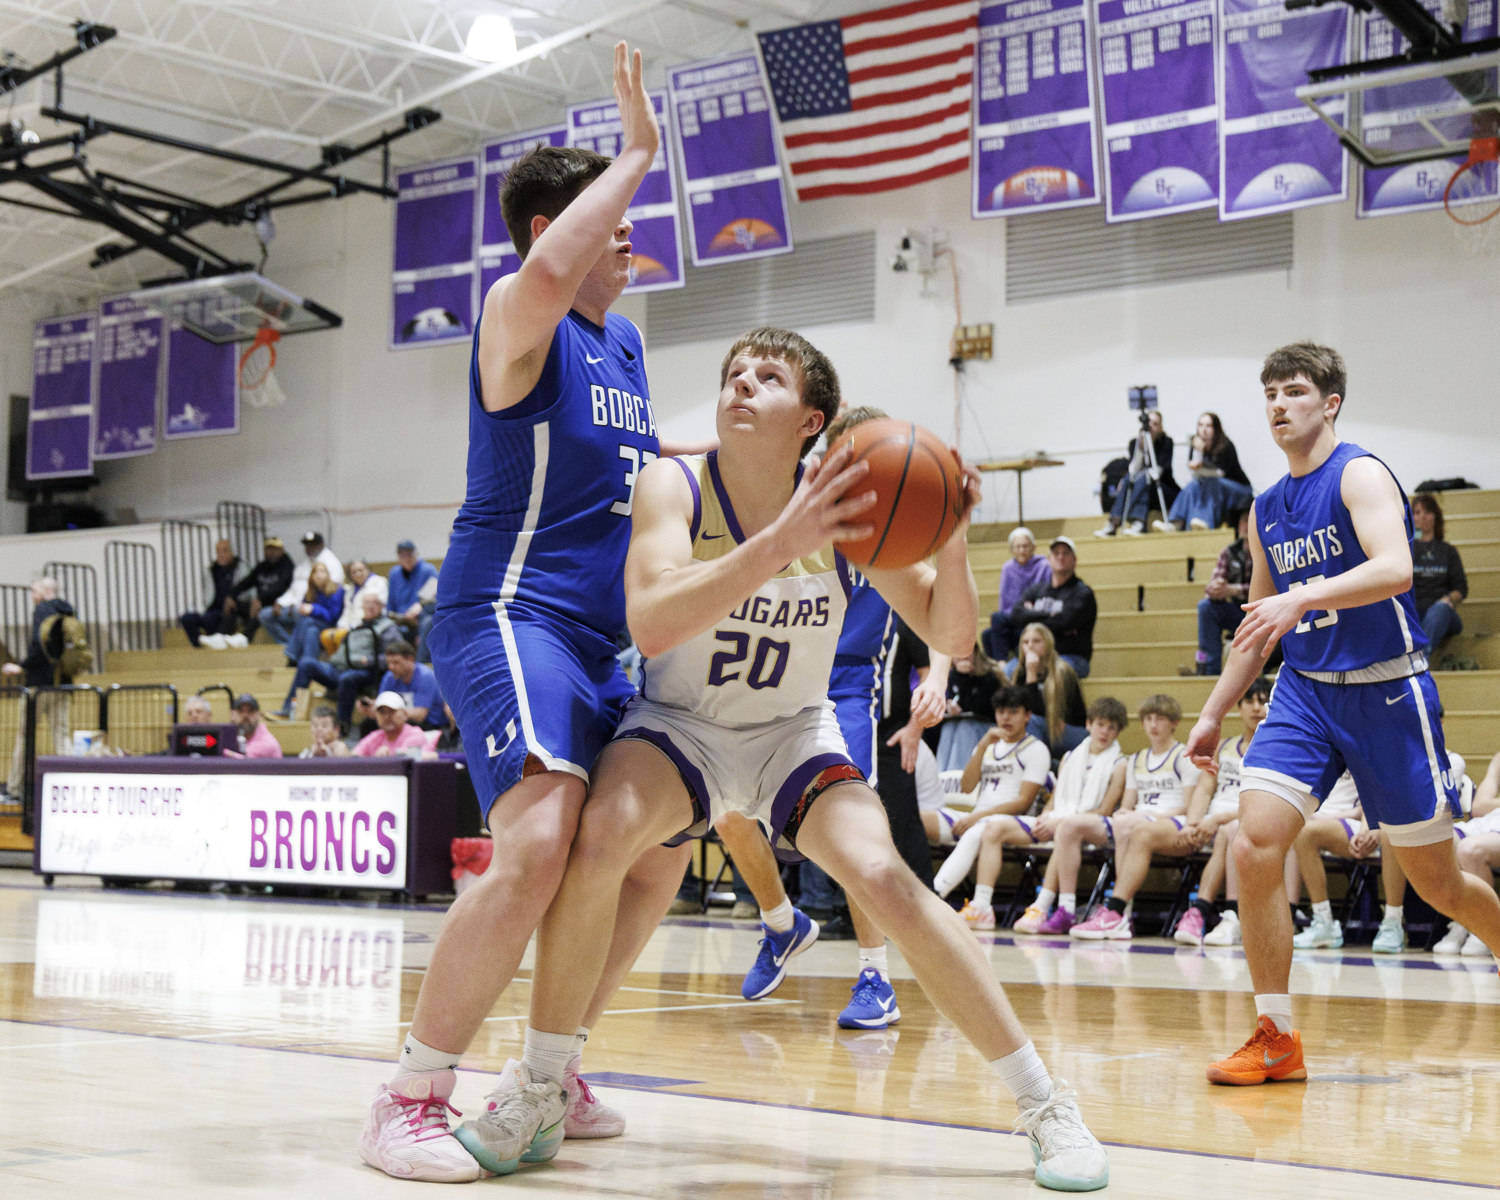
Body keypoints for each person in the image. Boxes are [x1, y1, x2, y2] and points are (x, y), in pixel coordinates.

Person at [508, 326, 1108, 1192]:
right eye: (733, 373)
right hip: (682, 723)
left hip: (792, 731)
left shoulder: (852, 515)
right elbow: (652, 622)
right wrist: (785, 539)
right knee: (602, 840)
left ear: (812, 420)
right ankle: (538, 1084)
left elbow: (952, 634)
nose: (743, 384)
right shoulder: (674, 484)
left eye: (770, 376)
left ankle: (1046, 1104)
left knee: (887, 876)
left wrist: (948, 530)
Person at [358, 45, 700, 1184]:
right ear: (558, 221)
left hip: (599, 634)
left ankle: (550, 1072)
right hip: (510, 611)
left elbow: (647, 469)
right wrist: (639, 147)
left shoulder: (628, 344)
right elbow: (549, 269)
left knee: (648, 854)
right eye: (614, 211)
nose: (631, 229)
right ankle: (412, 1092)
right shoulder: (520, 312)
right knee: (541, 839)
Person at [1184, 341, 1500, 1088]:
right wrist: (1212, 711)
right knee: (1256, 844)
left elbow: (1396, 569)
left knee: (1439, 883)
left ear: (1329, 403)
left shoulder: (1358, 472)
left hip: (1388, 691)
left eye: (1293, 391)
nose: (1277, 405)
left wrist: (1306, 594)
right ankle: (1276, 1037)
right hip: (1305, 689)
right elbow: (1260, 625)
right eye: (1268, 393)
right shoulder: (1265, 507)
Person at [1076, 679, 1268, 943]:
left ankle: (1222, 916)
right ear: (1239, 707)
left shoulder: (1275, 751)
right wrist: (1193, 823)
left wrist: (1215, 820)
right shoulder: (1223, 747)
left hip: (1241, 823)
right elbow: (1203, 790)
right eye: (1250, 701)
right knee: (1142, 832)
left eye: (1263, 701)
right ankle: (1117, 913)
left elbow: (1263, 802)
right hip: (1204, 823)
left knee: (1230, 831)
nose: (1256, 708)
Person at [1069, 694, 1201, 938]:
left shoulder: (1183, 756)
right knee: (1123, 820)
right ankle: (1121, 913)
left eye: (1160, 719)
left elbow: (1190, 805)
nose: (1153, 725)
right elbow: (1127, 806)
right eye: (1148, 719)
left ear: (1174, 723)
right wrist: (1132, 814)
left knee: (1134, 825)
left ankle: (1118, 909)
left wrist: (1151, 815)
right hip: (1141, 821)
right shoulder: (1137, 759)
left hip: (1174, 820)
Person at [930, 685, 1052, 930]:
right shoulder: (988, 745)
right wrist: (983, 746)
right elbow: (966, 787)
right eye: (1001, 711)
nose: (1005, 718)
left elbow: (1023, 802)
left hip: (1016, 822)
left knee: (984, 829)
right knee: (919, 818)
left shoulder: (1036, 749)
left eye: (1014, 712)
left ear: (1028, 715)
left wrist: (978, 817)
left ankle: (935, 899)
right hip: (979, 815)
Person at [1012, 698, 1129, 934]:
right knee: (992, 829)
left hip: (1100, 826)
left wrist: (1058, 822)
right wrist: (1045, 818)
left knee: (1067, 829)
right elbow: (1055, 798)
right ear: (1088, 724)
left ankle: (1049, 906)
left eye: (1112, 727)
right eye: (1101, 724)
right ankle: (973, 902)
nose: (1105, 732)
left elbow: (1105, 810)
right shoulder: (1069, 757)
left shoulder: (1120, 763)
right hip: (1063, 820)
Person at [1285, 771, 1375, 949]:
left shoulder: (1365, 748)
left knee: (1305, 832)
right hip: (1315, 819)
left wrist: (1324, 817)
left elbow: (1368, 803)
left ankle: (1323, 921)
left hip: (1351, 822)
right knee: (1291, 830)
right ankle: (1288, 918)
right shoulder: (1320, 750)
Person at [5, 577, 77, 797]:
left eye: (34, 590)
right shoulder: (69, 611)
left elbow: (39, 644)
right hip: (63, 683)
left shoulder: (42, 609)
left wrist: (21, 667)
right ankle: (71, 786)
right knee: (62, 736)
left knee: (24, 737)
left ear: (45, 591)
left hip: (39, 683)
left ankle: (15, 788)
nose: (32, 595)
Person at [1001, 536, 1097, 678]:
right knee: (1006, 673)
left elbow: (1066, 622)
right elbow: (1016, 614)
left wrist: (1032, 616)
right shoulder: (1036, 589)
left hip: (1070, 656)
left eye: (1066, 553)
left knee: (1055, 672)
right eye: (1056, 553)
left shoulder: (1082, 593)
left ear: (1074, 560)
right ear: (1048, 559)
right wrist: (1049, 615)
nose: (1060, 557)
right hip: (1033, 654)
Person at [1434, 752, 1500, 955]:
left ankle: (1486, 926)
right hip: (1490, 821)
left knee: (1470, 850)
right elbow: (1479, 806)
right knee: (1439, 840)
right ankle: (1464, 920)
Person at [1156, 411, 1253, 532]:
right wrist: (1198, 452)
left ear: (1216, 429)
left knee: (1211, 481)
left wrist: (1199, 463)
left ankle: (1206, 521)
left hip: (1239, 490)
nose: (1204, 429)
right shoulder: (1196, 445)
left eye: (1208, 426)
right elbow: (1195, 475)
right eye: (1201, 425)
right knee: (1193, 485)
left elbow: (1220, 473)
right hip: (1215, 487)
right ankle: (1174, 523)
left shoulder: (1226, 445)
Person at [1004, 622, 1087, 756]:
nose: (1030, 646)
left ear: (1047, 644)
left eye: (1036, 641)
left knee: (1031, 722)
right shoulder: (1018, 674)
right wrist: (1030, 674)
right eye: (1025, 642)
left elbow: (1039, 712)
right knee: (1026, 723)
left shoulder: (1062, 671)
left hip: (1070, 731)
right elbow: (1024, 712)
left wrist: (1032, 674)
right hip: (1042, 729)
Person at [1095, 409, 1178, 537]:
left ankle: (1138, 521)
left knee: (1145, 477)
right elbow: (1133, 470)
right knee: (1128, 478)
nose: (1150, 426)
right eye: (1148, 423)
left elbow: (1157, 472)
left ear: (1161, 428)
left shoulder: (1166, 442)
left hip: (1162, 489)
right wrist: (1140, 448)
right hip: (1143, 489)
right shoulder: (1135, 443)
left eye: (1155, 424)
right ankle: (1114, 522)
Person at [1196, 508, 1253, 675]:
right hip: (1238, 613)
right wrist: (1216, 590)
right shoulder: (1229, 551)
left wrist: (1231, 590)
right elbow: (1212, 586)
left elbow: (1268, 591)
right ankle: (1209, 671)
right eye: (1243, 521)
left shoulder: (1267, 550)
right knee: (1206, 606)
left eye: (1250, 520)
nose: (1246, 525)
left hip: (1261, 614)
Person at [262, 532, 344, 649]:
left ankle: (295, 648)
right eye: (307, 545)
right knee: (265, 615)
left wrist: (310, 607)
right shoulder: (303, 565)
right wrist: (280, 602)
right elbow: (293, 589)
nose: (310, 548)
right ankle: (288, 644)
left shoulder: (331, 563)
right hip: (295, 605)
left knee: (300, 613)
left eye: (313, 545)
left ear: (321, 545)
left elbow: (331, 593)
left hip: (316, 610)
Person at [1410, 492, 1467, 652]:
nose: (1423, 517)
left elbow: (1461, 590)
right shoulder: (1407, 550)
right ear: (1412, 517)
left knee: (1440, 610)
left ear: (1435, 516)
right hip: (1415, 614)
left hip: (1443, 614)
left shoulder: (1448, 551)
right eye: (1417, 512)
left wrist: (1448, 599)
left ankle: (1421, 658)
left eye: (1428, 512)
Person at [985, 526, 1051, 660]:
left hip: (1033, 615)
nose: (1021, 550)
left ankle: (1003, 666)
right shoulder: (1008, 568)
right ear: (1011, 550)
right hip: (1013, 615)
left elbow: (1048, 594)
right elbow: (1003, 600)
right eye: (1017, 547)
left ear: (1033, 547)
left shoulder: (1044, 565)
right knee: (988, 633)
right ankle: (1001, 665)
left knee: (996, 628)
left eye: (1025, 546)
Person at [934, 640, 1000, 771]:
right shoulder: (952, 676)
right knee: (948, 727)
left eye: (965, 652)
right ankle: (941, 775)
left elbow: (976, 707)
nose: (961, 657)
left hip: (985, 726)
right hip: (961, 724)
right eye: (956, 653)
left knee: (965, 727)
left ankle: (958, 773)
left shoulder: (989, 677)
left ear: (975, 653)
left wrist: (963, 677)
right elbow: (954, 700)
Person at [228, 537, 295, 641]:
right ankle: (223, 636)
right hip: (259, 603)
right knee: (233, 604)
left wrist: (261, 600)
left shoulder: (287, 566)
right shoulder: (261, 567)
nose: (271, 552)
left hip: (277, 605)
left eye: (275, 549)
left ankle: (244, 638)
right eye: (269, 549)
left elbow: (279, 588)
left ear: (282, 550)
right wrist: (231, 596)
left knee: (260, 612)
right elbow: (245, 583)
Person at [281, 561, 345, 667]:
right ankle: (307, 663)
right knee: (311, 631)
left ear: (328, 574)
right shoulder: (310, 592)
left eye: (322, 571)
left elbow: (334, 616)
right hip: (314, 626)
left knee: (307, 621)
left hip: (332, 625)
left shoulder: (337, 590)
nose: (319, 575)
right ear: (311, 577)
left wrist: (314, 609)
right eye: (315, 572)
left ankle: (292, 656)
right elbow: (304, 608)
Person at [180, 539, 241, 646]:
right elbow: (207, 593)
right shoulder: (210, 570)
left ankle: (215, 644)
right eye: (219, 551)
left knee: (210, 618)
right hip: (211, 608)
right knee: (187, 618)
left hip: (232, 610)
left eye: (225, 551)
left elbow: (247, 593)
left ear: (232, 552)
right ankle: (198, 647)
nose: (221, 554)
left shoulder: (241, 568)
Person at [388, 540, 440, 661]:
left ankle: (420, 663)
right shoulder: (394, 573)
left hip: (421, 616)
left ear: (416, 553)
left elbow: (431, 599)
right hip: (399, 617)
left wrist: (419, 607)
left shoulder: (428, 570)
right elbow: (390, 603)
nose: (406, 558)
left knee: (428, 622)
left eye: (409, 554)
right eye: (402, 555)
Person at [375, 640, 443, 731]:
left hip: (428, 723)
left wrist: (391, 713)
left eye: (396, 662)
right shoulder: (389, 676)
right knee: (369, 723)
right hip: (401, 718)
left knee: (397, 724)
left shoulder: (425, 676)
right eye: (389, 663)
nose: (391, 667)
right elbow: (380, 704)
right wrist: (371, 708)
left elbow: (420, 715)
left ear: (410, 660)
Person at [354, 692, 431, 758]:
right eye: (382, 712)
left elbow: (409, 759)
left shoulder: (415, 734)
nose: (386, 716)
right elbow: (354, 756)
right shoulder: (375, 736)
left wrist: (388, 756)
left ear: (404, 714)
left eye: (392, 711)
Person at [336, 558, 389, 635]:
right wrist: (342, 625)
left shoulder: (378, 582)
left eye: (360, 570)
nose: (358, 574)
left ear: (367, 569)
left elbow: (372, 612)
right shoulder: (350, 590)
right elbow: (346, 612)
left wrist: (352, 628)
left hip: (370, 626)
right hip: (350, 628)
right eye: (354, 572)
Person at [229, 693, 282, 759]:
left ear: (259, 715)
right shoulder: (233, 736)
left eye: (250, 711)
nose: (245, 715)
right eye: (240, 711)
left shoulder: (267, 743)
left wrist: (226, 753)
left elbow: (245, 764)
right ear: (232, 715)